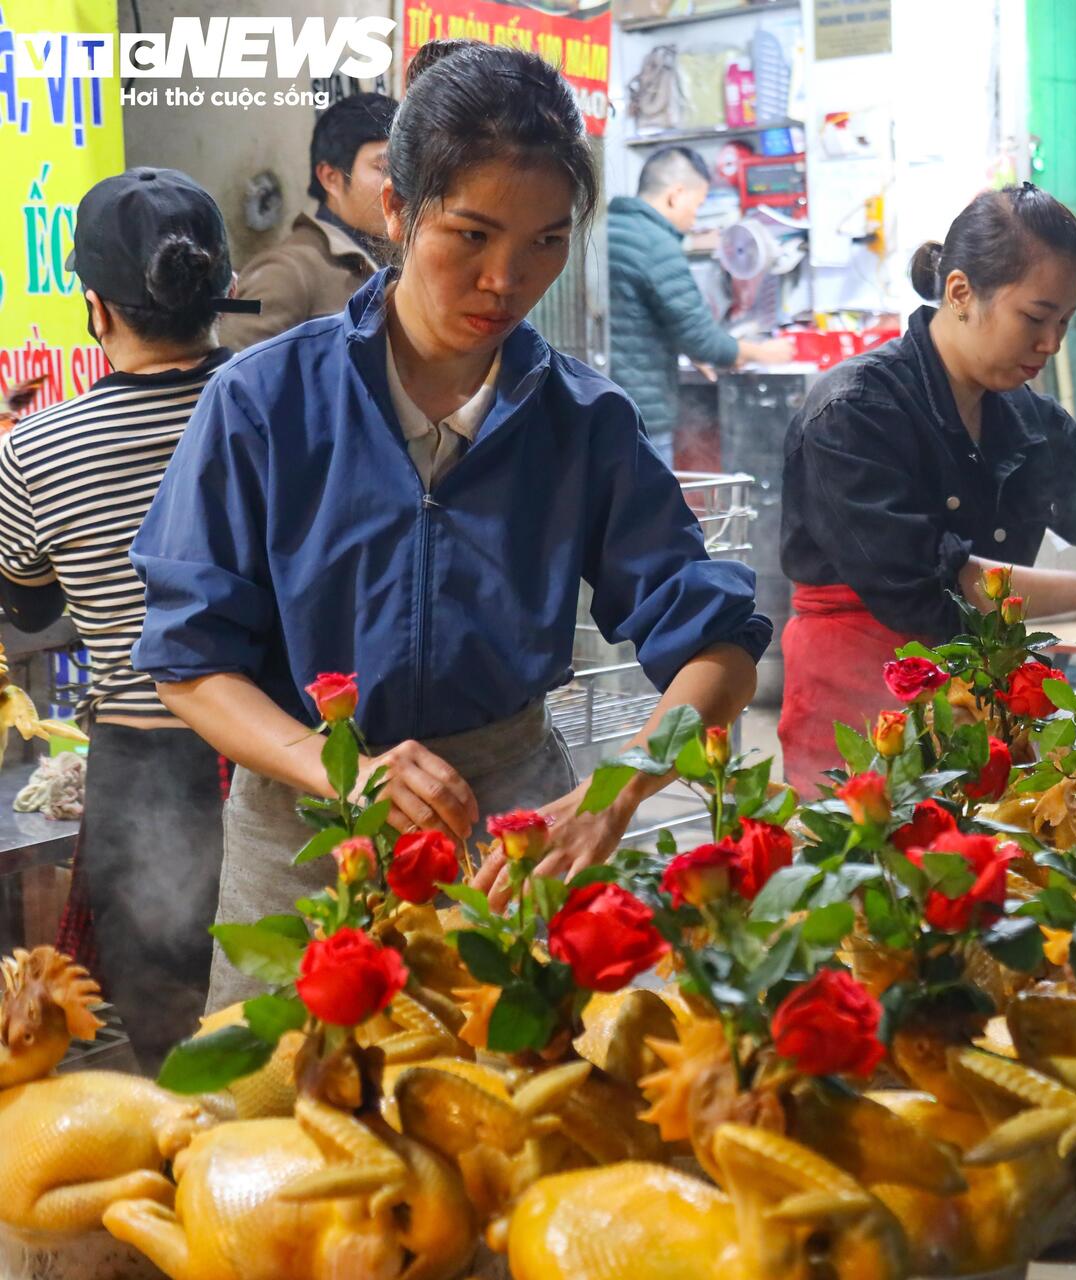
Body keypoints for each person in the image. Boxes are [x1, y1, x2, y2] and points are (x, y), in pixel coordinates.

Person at [132, 40, 768, 1011]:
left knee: (514, 1117)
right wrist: (335, 766)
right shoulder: (265, 402)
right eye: (469, 234)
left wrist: (614, 795)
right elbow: (188, 659)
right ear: (395, 208)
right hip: (307, 840)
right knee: (278, 1127)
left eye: (546, 240)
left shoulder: (583, 425)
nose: (506, 281)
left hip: (508, 837)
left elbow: (718, 648)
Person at [779, 182, 1076, 793]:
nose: (1051, 344)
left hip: (986, 699)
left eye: (1065, 322)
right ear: (961, 293)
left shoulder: (1023, 417)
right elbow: (925, 586)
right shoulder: (853, 411)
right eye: (1036, 318)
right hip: (864, 713)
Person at [0, 168, 261, 1068]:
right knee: (301, 1009)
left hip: (146, 767)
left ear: (95, 309)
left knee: (173, 1041)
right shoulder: (289, 408)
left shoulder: (36, 449)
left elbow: (25, 597)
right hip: (290, 750)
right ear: (220, 286)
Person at [607, 146, 795, 446]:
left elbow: (634, 317)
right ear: (675, 195)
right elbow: (702, 339)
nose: (694, 219)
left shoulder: (605, 229)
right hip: (640, 415)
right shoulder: (656, 244)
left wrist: (690, 346)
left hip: (599, 407)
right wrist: (764, 353)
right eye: (697, 206)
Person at [222, 93, 396, 349]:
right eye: (382, 168)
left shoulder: (401, 256)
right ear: (331, 178)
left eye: (404, 168)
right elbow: (232, 379)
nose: (397, 183)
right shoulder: (287, 271)